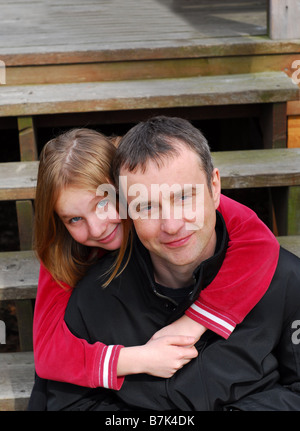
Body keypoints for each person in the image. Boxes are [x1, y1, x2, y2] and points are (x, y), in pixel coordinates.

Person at [29, 116, 300, 411]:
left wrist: (199, 318)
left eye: (184, 197)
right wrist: (134, 360)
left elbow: (257, 237)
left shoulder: (278, 274)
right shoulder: (81, 282)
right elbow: (52, 366)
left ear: (214, 187)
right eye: (147, 205)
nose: (96, 229)